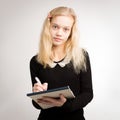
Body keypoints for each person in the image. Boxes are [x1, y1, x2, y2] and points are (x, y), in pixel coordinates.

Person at [29, 6, 93, 120]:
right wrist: (37, 95)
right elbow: (36, 105)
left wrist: (65, 105)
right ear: (48, 27)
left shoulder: (82, 56)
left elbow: (88, 94)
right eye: (55, 27)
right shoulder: (35, 61)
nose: (59, 33)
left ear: (71, 32)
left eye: (65, 29)